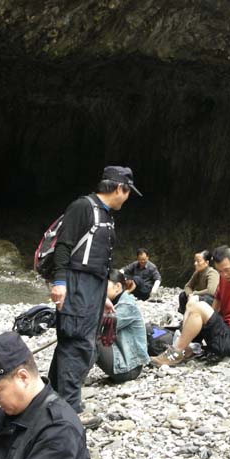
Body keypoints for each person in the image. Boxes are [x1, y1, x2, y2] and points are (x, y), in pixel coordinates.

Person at [49, 165, 141, 415]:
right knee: (76, 343)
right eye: (128, 191)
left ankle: (54, 401)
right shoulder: (83, 207)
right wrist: (59, 282)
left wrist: (103, 298)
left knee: (80, 343)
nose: (128, 196)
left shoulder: (107, 214)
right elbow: (63, 246)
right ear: (120, 188)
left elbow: (101, 262)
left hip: (94, 287)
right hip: (77, 283)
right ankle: (68, 409)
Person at [152, 245, 230, 366]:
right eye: (220, 271)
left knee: (201, 307)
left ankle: (176, 352)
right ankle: (186, 345)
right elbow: (217, 300)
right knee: (194, 300)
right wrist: (206, 321)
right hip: (221, 333)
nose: (224, 274)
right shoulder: (224, 278)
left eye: (227, 270)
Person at [95, 270, 150, 382]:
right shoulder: (116, 302)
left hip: (129, 369)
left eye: (103, 285)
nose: (99, 290)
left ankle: (74, 378)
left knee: (90, 336)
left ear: (118, 286)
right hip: (122, 362)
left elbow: (99, 327)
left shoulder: (127, 306)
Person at [177, 250, 220, 314]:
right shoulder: (197, 273)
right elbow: (188, 286)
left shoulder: (212, 273)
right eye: (195, 261)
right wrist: (189, 294)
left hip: (210, 299)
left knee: (205, 299)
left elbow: (211, 291)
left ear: (206, 262)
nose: (195, 263)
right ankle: (186, 316)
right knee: (183, 295)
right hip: (198, 296)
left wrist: (195, 293)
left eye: (198, 261)